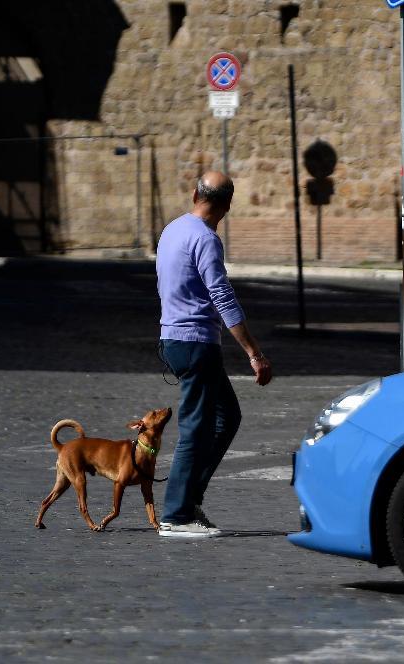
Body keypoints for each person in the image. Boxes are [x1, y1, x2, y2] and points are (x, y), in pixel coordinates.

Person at [155, 171, 273, 538]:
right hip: (195, 343)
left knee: (227, 416)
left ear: (195, 194)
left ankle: (189, 500)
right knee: (195, 429)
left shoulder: (172, 229)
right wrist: (254, 352)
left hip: (173, 340)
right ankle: (176, 515)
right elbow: (222, 296)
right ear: (227, 206)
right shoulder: (206, 240)